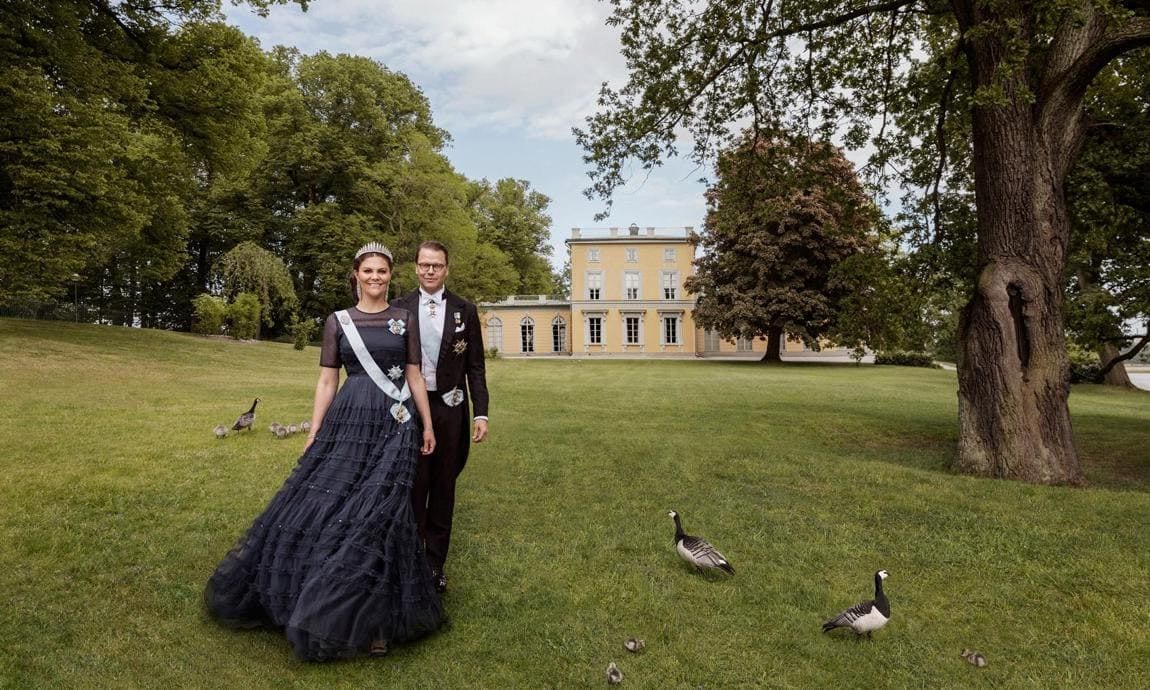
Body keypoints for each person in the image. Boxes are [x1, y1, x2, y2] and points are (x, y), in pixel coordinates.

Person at [204, 242, 445, 661]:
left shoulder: (405, 319)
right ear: (356, 275)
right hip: (348, 421)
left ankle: (375, 621)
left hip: (395, 423)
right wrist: (315, 429)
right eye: (368, 271)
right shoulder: (338, 322)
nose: (375, 278)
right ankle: (315, 594)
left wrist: (426, 423)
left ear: (391, 276)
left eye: (382, 272)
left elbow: (414, 375)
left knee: (382, 510)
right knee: (331, 504)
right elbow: (326, 381)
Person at [393, 240, 489, 594]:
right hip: (412, 408)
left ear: (446, 269)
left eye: (437, 265)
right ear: (416, 268)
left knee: (444, 486)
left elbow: (476, 366)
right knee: (414, 485)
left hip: (451, 408)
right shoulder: (399, 307)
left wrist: (481, 413)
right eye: (424, 265)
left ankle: (436, 566)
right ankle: (411, 558)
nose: (430, 270)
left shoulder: (465, 309)